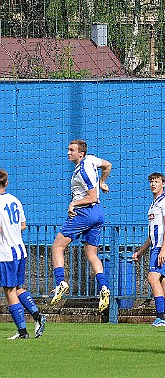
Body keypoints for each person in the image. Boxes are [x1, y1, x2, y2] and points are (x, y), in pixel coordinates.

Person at [51, 139, 112, 312]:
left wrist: (73, 204)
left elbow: (92, 196)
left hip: (85, 212)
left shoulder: (83, 172)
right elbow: (108, 165)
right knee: (91, 253)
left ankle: (60, 282)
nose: (68, 152)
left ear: (81, 153)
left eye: (72, 150)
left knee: (57, 247)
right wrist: (102, 182)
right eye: (68, 149)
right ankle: (104, 287)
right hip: (98, 213)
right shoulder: (91, 160)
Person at [0, 169, 46, 339]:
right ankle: (37, 316)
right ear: (6, 182)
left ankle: (22, 332)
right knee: (18, 288)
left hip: (6, 253)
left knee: (9, 291)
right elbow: (23, 225)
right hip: (20, 250)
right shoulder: (15, 200)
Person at [132, 173, 165, 327]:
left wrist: (163, 249)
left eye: (156, 182)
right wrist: (140, 251)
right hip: (155, 246)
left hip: (164, 246)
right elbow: (152, 235)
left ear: (163, 184)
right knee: (163, 280)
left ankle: (161, 316)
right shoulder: (153, 204)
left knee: (152, 278)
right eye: (151, 181)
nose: (153, 184)